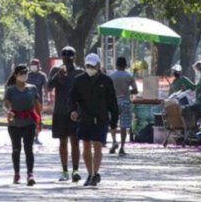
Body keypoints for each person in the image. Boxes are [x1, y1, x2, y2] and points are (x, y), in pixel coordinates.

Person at [69, 53, 119, 187]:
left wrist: (114, 121)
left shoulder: (106, 81)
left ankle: (95, 173)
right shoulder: (79, 80)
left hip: (101, 119)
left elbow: (112, 102)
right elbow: (72, 98)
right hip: (85, 118)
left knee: (97, 145)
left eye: (92, 65)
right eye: (88, 65)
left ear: (98, 65)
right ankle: (90, 174)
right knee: (86, 146)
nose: (90, 68)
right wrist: (73, 110)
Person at [3, 64, 42, 186]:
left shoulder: (32, 88)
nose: (24, 75)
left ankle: (30, 174)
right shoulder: (10, 89)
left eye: (25, 73)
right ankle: (17, 173)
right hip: (14, 123)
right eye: (21, 73)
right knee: (16, 149)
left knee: (28, 148)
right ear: (16, 75)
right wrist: (8, 111)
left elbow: (37, 106)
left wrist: (39, 122)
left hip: (29, 122)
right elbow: (5, 104)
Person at [48, 45, 82, 182]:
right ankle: (64, 171)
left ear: (74, 57)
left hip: (74, 111)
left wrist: (80, 111)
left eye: (70, 55)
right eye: (65, 55)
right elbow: (49, 86)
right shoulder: (56, 70)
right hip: (60, 111)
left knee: (75, 142)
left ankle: (75, 170)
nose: (67, 58)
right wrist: (57, 76)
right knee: (62, 142)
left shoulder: (79, 72)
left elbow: (83, 93)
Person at [107, 56, 138, 155]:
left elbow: (106, 90)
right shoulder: (129, 76)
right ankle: (122, 147)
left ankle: (114, 141)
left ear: (116, 65)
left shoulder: (111, 76)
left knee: (113, 123)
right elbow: (135, 90)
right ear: (125, 65)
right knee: (124, 125)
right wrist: (128, 91)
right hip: (125, 102)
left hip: (113, 102)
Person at [25, 58, 48, 144]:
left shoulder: (42, 76)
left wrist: (47, 97)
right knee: (28, 118)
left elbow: (45, 88)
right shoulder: (27, 75)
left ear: (38, 66)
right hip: (28, 100)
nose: (33, 67)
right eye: (32, 65)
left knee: (37, 119)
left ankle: (36, 136)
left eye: (35, 65)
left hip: (38, 101)